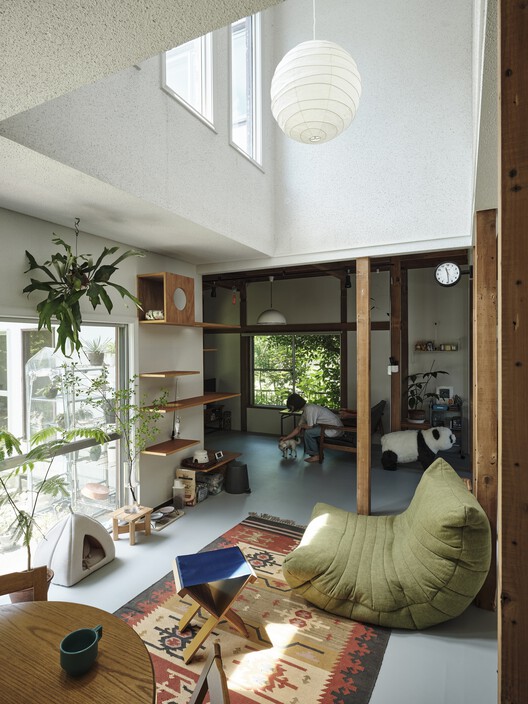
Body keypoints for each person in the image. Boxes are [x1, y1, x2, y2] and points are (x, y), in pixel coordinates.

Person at [280, 393, 344, 463]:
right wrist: (286, 438)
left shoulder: (309, 409)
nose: (291, 408)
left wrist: (302, 426)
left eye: (291, 406)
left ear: (295, 404)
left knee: (309, 432)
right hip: (329, 427)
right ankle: (316, 454)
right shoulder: (306, 410)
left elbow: (309, 426)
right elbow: (298, 428)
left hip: (335, 429)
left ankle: (316, 455)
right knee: (309, 431)